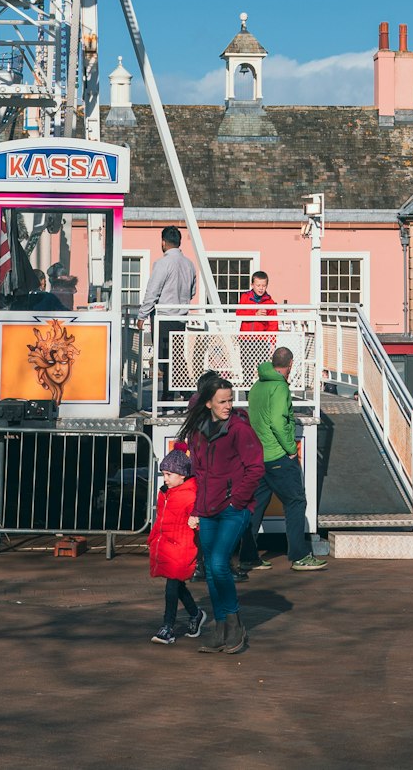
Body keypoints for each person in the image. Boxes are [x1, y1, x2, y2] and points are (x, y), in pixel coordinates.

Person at [177, 374, 263, 654]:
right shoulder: (197, 431)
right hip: (206, 507)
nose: (228, 405)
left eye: (230, 400)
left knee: (217, 564)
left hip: (232, 510)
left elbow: (255, 469)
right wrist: (197, 507)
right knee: (212, 572)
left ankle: (235, 624)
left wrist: (236, 501)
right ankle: (222, 628)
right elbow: (199, 472)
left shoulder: (240, 429)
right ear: (208, 403)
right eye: (222, 401)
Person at [245, 347, 328, 571]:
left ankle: (248, 556)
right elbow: (277, 422)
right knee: (295, 502)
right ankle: (300, 556)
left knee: (257, 505)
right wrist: (291, 448)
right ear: (290, 364)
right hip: (279, 456)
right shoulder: (279, 387)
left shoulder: (257, 386)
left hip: (258, 456)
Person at [148, 447, 208, 645]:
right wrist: (154, 538)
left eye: (169, 474)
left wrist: (196, 522)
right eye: (164, 474)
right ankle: (195, 614)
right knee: (176, 585)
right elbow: (161, 520)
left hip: (183, 546)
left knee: (171, 587)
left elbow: (198, 520)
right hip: (166, 544)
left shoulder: (191, 495)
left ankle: (167, 626)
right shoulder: (165, 493)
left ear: (183, 475)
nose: (165, 479)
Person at [137, 227, 198, 393]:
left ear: (163, 242)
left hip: (163, 317)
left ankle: (169, 397)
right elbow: (192, 291)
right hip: (181, 317)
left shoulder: (162, 264)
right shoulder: (189, 264)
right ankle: (181, 393)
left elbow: (153, 291)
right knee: (176, 356)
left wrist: (142, 315)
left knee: (165, 357)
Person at [237, 271, 279, 335]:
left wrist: (272, 341)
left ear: (267, 286)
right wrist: (255, 314)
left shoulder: (270, 302)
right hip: (245, 337)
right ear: (252, 285)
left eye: (264, 286)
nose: (261, 288)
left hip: (262, 338)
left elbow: (273, 323)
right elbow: (239, 313)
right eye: (258, 285)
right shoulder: (245, 297)